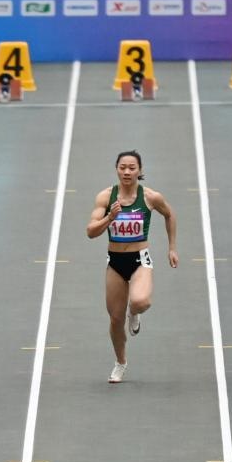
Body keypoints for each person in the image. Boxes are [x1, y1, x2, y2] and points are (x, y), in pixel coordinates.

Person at [87, 149, 178, 383]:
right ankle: (120, 362)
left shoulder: (150, 197)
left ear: (140, 170)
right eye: (122, 167)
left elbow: (169, 215)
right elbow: (91, 232)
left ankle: (134, 312)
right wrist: (110, 218)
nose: (127, 172)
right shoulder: (106, 197)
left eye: (132, 168)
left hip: (139, 260)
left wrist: (172, 248)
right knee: (115, 320)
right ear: (117, 170)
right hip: (115, 262)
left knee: (140, 301)